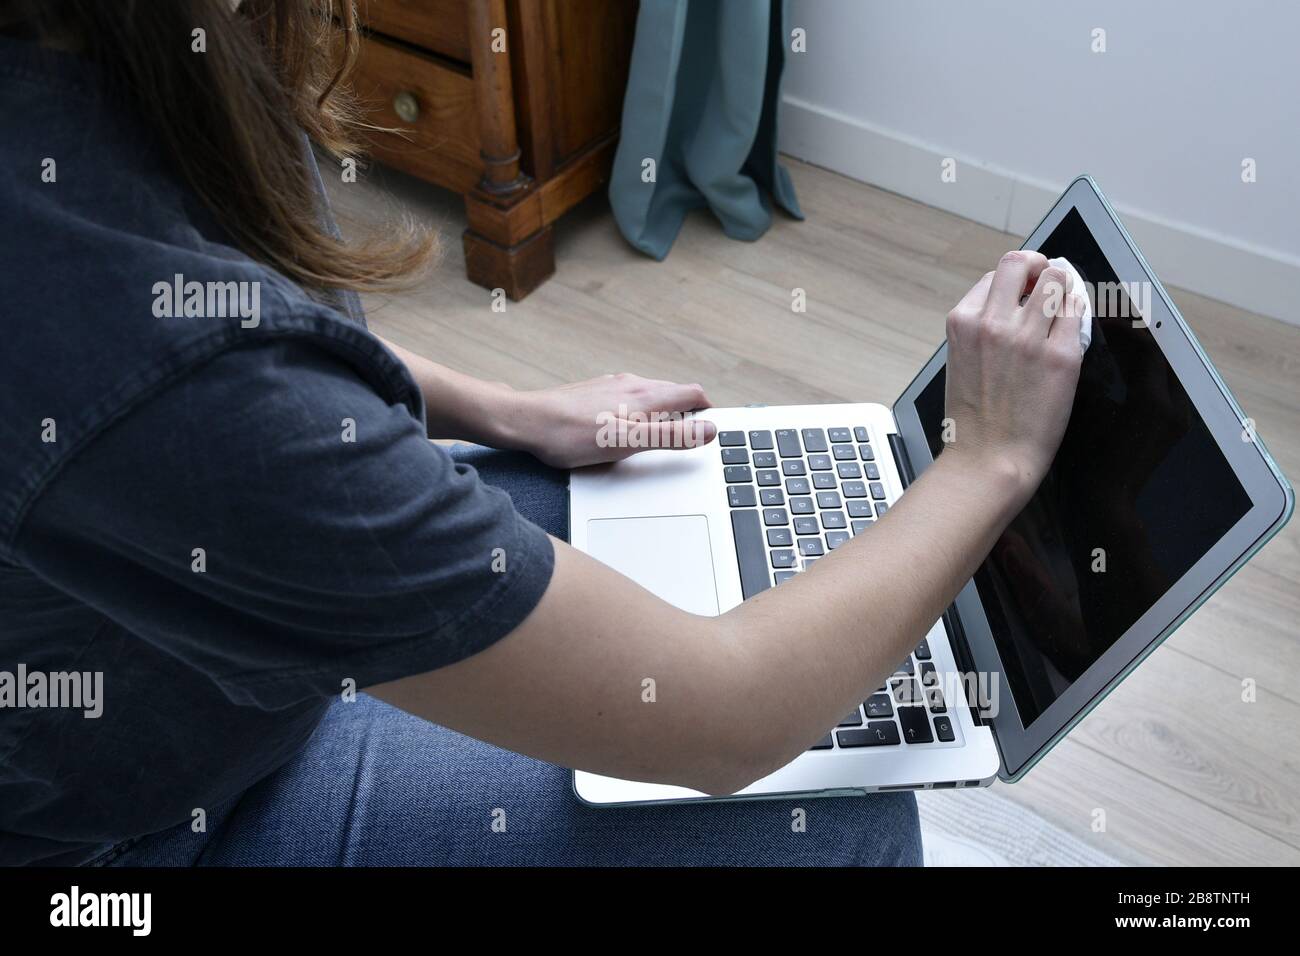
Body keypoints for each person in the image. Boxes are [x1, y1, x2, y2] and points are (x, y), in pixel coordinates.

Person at [0, 0, 1085, 867]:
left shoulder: (144, 65)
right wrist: (986, 458)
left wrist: (505, 411)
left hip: (221, 657)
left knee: (667, 515)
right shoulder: (143, 338)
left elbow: (262, 352)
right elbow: (730, 718)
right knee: (841, 817)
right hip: (136, 838)